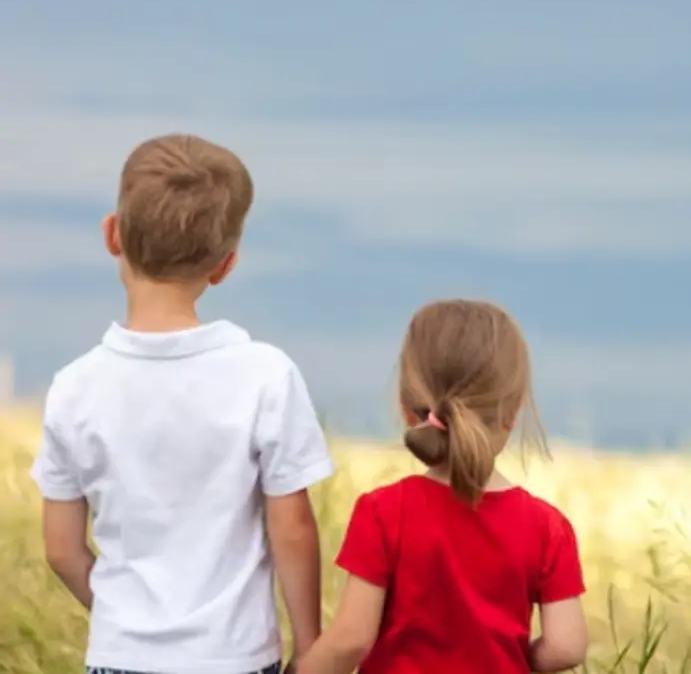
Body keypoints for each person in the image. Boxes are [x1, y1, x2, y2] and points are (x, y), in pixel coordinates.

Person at [29, 134, 335, 674]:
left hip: (120, 656)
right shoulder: (265, 375)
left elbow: (61, 550)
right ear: (225, 265)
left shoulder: (73, 386)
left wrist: (121, 622)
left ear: (112, 234)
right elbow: (293, 530)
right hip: (235, 659)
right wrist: (310, 648)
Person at [297, 300, 589, 674]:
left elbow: (351, 639)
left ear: (407, 408)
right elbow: (566, 647)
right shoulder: (547, 527)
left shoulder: (384, 512)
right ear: (512, 413)